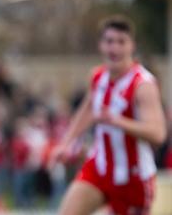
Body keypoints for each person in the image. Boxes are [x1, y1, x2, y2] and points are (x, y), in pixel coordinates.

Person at [51, 16, 167, 215]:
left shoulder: (142, 84)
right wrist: (66, 142)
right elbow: (87, 110)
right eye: (109, 41)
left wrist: (118, 121)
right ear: (101, 45)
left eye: (121, 42)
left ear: (132, 46)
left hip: (133, 178)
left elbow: (158, 134)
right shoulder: (98, 77)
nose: (114, 49)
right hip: (100, 168)